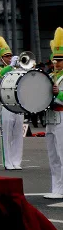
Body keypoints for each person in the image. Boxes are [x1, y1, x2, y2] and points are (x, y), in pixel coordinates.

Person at [0, 36, 24, 170]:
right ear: (2, 59)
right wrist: (11, 66)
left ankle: (17, 161)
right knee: (7, 135)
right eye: (6, 56)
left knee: (18, 134)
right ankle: (8, 162)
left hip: (19, 105)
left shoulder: (18, 69)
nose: (9, 58)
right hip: (6, 105)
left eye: (10, 56)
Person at [45, 28, 63, 199]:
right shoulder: (50, 76)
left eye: (60, 60)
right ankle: (57, 188)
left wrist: (58, 93)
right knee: (53, 155)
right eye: (55, 59)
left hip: (62, 116)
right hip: (50, 117)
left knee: (62, 154)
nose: (56, 63)